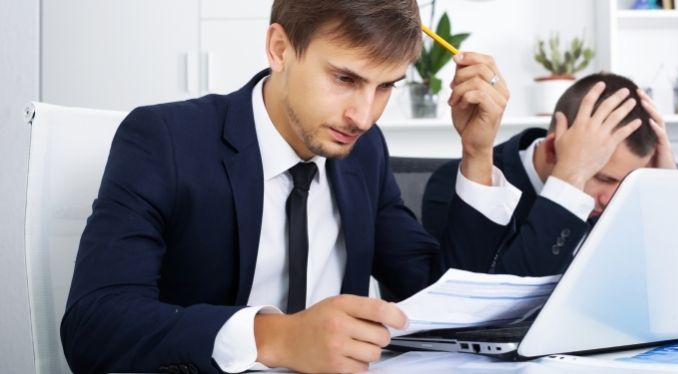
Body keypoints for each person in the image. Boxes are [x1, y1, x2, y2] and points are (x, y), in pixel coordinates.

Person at [59, 1, 521, 373]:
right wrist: (278, 338)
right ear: (280, 48)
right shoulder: (165, 139)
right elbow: (93, 325)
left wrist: (477, 154)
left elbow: (436, 299)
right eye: (345, 78)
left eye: (385, 87)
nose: (363, 116)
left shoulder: (366, 150)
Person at [422, 73, 677, 277]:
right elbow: (493, 311)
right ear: (554, 149)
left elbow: (658, 285)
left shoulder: (619, 198)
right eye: (603, 178)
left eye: (627, 181)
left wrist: (665, 191)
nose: (611, 199)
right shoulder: (458, 185)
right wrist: (570, 178)